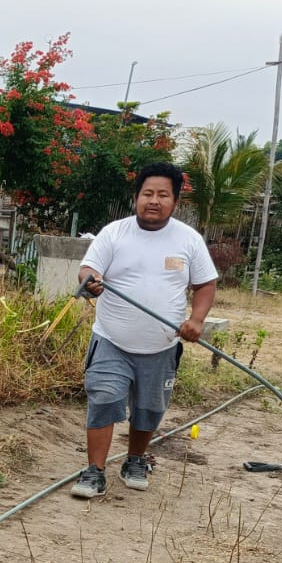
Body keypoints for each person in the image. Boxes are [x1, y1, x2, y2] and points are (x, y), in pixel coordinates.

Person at [71, 162, 218, 498]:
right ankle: (94, 471)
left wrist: (196, 321)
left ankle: (135, 460)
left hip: (161, 346)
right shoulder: (114, 233)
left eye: (163, 195)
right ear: (136, 196)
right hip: (111, 340)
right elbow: (88, 268)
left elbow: (205, 285)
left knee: (149, 408)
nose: (154, 200)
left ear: (175, 201)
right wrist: (91, 280)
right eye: (147, 193)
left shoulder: (189, 240)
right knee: (104, 399)